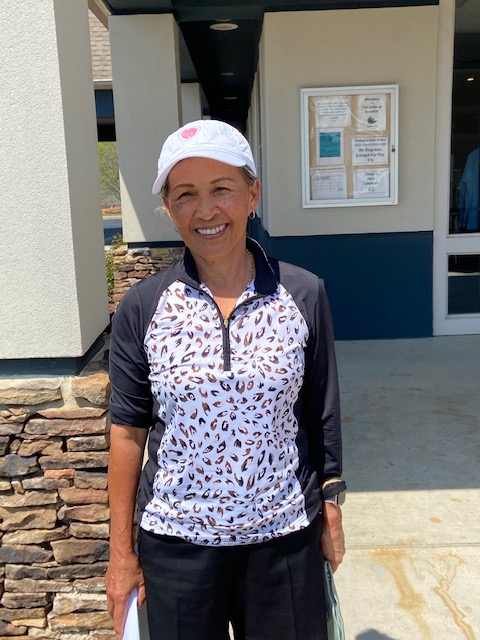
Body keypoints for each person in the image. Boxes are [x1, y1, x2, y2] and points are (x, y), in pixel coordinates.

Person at [105, 119, 346, 640]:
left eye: (222, 189)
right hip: (176, 546)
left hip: (283, 540)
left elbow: (321, 411)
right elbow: (126, 432)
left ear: (252, 195)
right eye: (186, 195)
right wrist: (121, 553)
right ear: (168, 207)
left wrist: (331, 508)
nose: (206, 210)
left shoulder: (303, 294)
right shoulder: (143, 307)